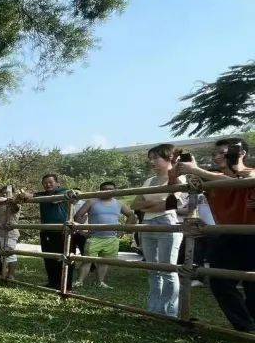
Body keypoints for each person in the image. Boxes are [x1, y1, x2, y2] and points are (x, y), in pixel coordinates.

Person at [176, 138, 254, 332]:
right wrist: (178, 165)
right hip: (226, 234)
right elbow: (182, 190)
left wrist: (196, 170)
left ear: (241, 153)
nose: (217, 156)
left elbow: (240, 183)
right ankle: (245, 328)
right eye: (215, 153)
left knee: (253, 286)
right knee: (219, 282)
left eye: (223, 152)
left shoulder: (251, 173)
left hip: (252, 234)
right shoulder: (209, 179)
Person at [131, 144, 188, 317]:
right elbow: (135, 204)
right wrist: (154, 205)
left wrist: (147, 205)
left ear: (170, 157)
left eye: (156, 158)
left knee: (167, 270)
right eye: (151, 158)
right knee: (152, 270)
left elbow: (171, 204)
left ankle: (170, 312)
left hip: (167, 224)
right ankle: (154, 310)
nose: (152, 162)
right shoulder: (148, 181)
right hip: (147, 225)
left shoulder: (180, 178)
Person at [73, 182, 133, 288]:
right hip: (94, 237)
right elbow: (78, 216)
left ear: (115, 191)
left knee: (104, 262)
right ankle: (79, 282)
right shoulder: (91, 201)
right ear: (100, 190)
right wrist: (82, 232)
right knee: (87, 260)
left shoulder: (119, 204)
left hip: (111, 238)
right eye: (104, 189)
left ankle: (100, 282)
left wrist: (123, 231)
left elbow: (131, 216)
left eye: (110, 189)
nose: (107, 191)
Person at [29, 173, 71, 290]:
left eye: (50, 182)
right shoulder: (42, 194)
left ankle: (66, 285)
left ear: (57, 183)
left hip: (61, 230)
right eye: (45, 183)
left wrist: (36, 196)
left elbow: (54, 201)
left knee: (63, 258)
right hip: (46, 230)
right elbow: (28, 196)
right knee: (48, 258)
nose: (47, 185)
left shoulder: (64, 191)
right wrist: (23, 195)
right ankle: (52, 282)